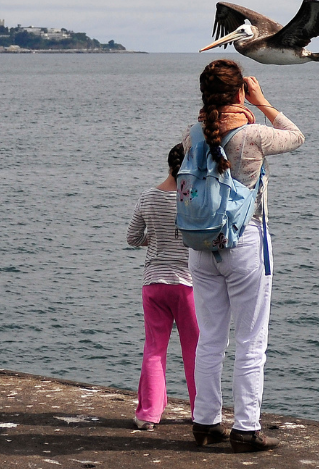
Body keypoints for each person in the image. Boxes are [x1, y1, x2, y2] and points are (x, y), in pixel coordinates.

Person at [184, 59, 303, 453]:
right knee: (251, 340)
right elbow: (297, 136)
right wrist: (264, 100)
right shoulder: (253, 134)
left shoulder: (192, 135)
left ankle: (205, 422)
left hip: (200, 247)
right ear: (240, 93)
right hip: (244, 242)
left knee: (210, 340)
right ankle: (246, 429)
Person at [125, 143, 198, 431]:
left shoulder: (148, 197)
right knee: (195, 349)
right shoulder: (192, 198)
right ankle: (201, 413)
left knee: (155, 349)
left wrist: (154, 241)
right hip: (187, 285)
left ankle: (148, 415)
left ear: (169, 164)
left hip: (154, 283)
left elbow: (132, 237)